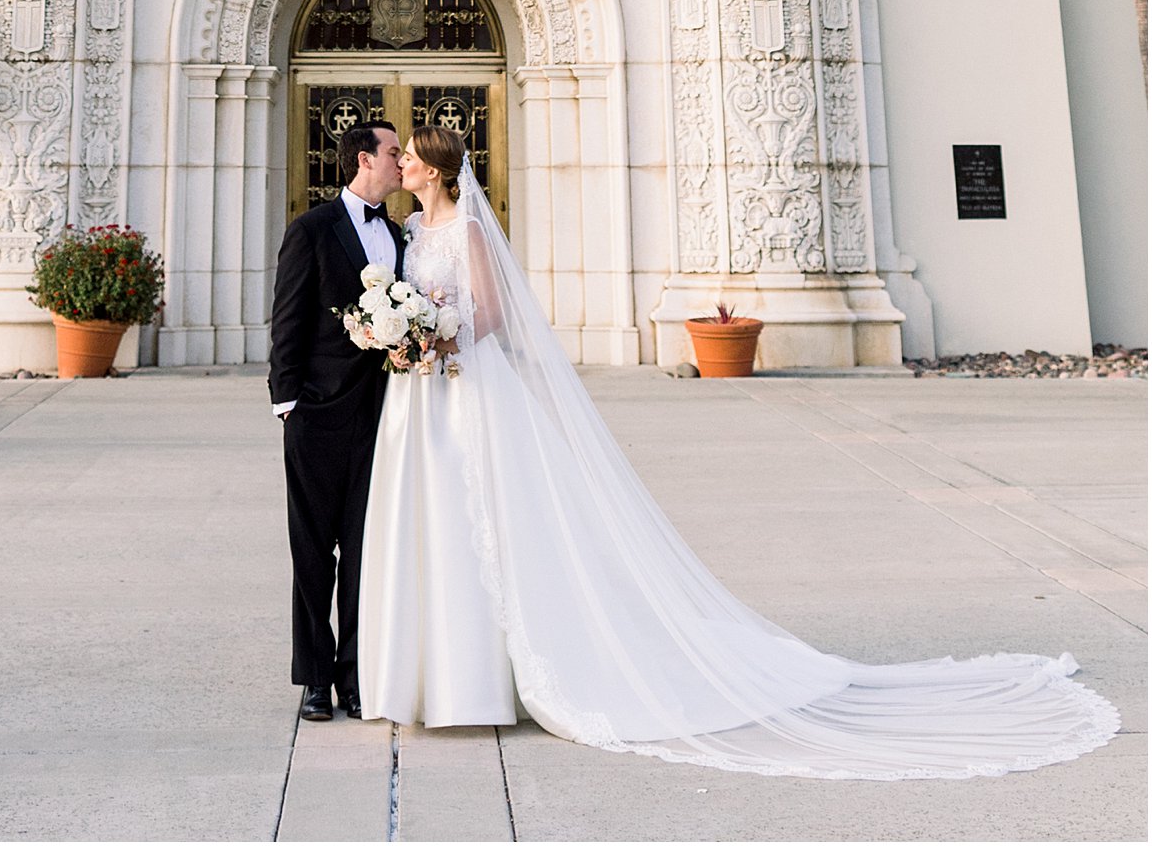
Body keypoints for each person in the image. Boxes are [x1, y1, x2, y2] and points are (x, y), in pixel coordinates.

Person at [357, 127, 1119, 780]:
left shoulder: (463, 232)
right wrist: (406, 338)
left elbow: (489, 310)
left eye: (412, 160)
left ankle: (484, 679)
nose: (404, 168)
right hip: (422, 397)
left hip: (467, 387)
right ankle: (437, 676)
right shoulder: (412, 236)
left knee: (491, 522)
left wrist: (437, 338)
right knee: (438, 525)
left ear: (435, 168)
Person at [269, 118, 404, 724]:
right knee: (312, 551)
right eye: (394, 152)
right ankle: (315, 679)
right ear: (364, 161)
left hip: (381, 416)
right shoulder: (312, 229)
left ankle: (354, 675)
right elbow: (288, 318)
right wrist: (288, 402)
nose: (402, 162)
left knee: (364, 551)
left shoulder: (400, 236)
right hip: (317, 414)